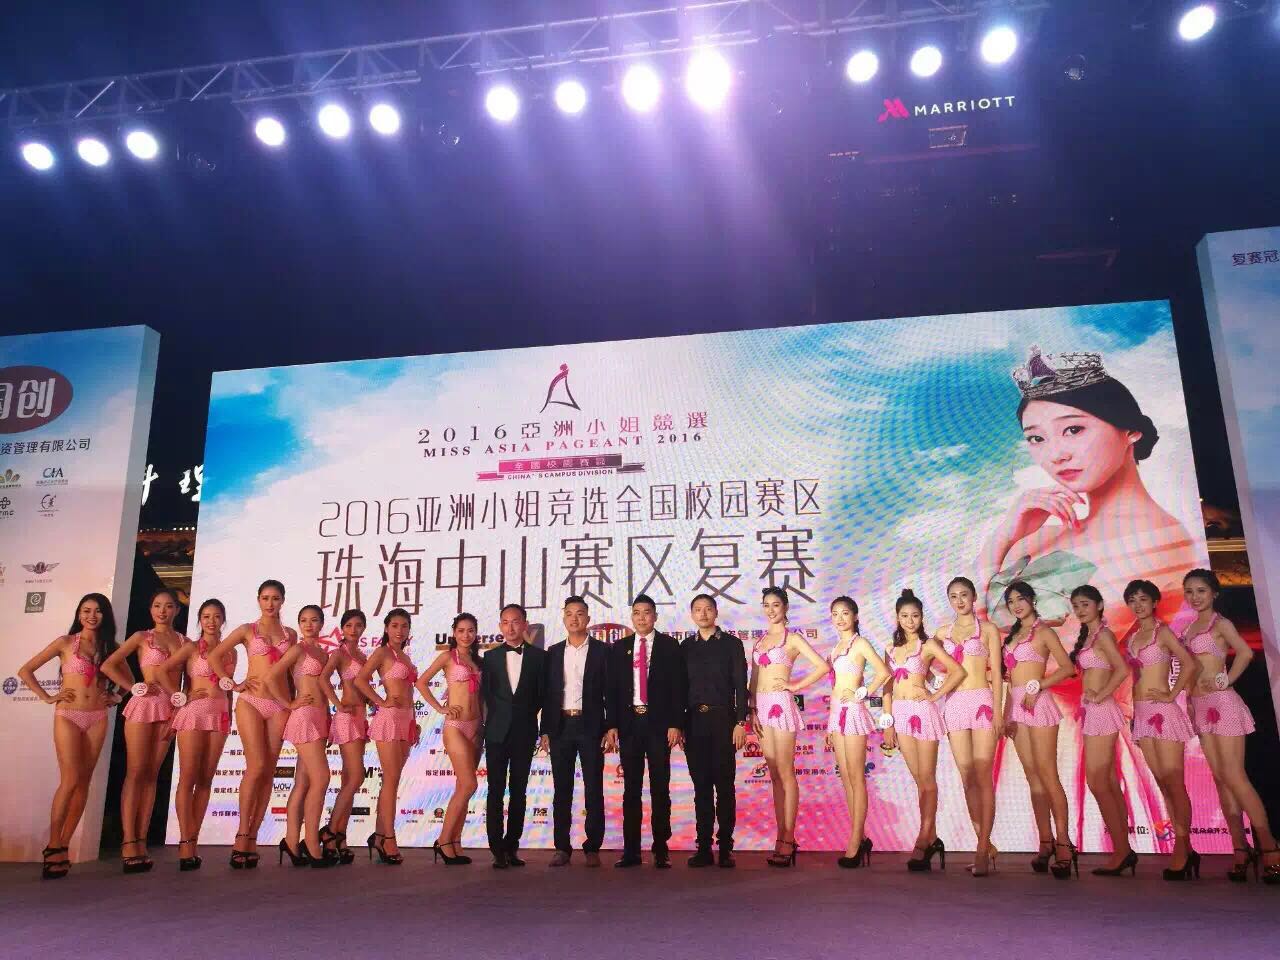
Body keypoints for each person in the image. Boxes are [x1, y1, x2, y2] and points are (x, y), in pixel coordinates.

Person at [978, 346, 1197, 639]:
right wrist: (1005, 535)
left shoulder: (1155, 538)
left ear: (1131, 430)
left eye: (1073, 430)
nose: (1056, 455)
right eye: (1037, 438)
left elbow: (1069, 653)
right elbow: (965, 626)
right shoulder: (1039, 537)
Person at [1180, 568, 1280, 884]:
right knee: (1221, 779)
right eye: (1189, 591)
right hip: (1200, 707)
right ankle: (1240, 848)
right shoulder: (1188, 629)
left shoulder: (1220, 623)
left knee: (1235, 776)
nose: (1195, 597)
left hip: (1223, 705)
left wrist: (1225, 680)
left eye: (1201, 591)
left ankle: (1270, 847)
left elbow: (1246, 653)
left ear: (1214, 594)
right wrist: (1189, 699)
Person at [17, 593, 120, 879]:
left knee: (83, 782)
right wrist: (48, 697)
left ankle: (64, 844)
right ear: (78, 614)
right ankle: (52, 844)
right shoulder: (65, 643)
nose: (91, 616)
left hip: (97, 717)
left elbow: (130, 680)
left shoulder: (111, 648)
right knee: (71, 779)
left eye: (98, 611)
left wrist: (117, 695)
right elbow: (25, 671)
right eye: (86, 610)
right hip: (68, 715)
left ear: (105, 615)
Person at [209, 579, 297, 869]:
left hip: (279, 706)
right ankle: (241, 834)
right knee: (256, 765)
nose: (270, 603)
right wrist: (232, 683)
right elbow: (214, 656)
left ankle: (253, 837)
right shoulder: (247, 630)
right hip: (251, 701)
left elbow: (291, 673)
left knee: (268, 771)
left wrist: (294, 704)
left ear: (282, 601)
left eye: (275, 598)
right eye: (265, 598)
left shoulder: (290, 634)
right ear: (258, 600)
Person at [101, 588, 186, 873]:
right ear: (150, 609)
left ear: (177, 610)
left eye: (169, 606)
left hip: (169, 710)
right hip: (143, 706)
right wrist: (132, 687)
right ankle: (128, 841)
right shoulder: (141, 637)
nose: (162, 611)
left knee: (152, 775)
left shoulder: (184, 641)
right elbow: (109, 665)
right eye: (157, 605)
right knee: (136, 772)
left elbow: (188, 678)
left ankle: (141, 840)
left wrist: (181, 708)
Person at [881, 589, 964, 872]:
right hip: (900, 714)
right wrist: (888, 721)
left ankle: (923, 838)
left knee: (927, 779)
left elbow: (957, 671)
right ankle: (932, 836)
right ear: (897, 617)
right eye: (904, 616)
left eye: (915, 616)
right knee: (919, 779)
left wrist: (934, 695)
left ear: (921, 617)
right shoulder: (890, 649)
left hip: (923, 713)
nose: (910, 620)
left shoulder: (927, 645)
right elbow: (887, 686)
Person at [745, 586, 829, 868]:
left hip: (781, 704)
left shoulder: (792, 639)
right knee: (774, 775)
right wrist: (752, 709)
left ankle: (789, 838)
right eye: (766, 605)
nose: (771, 610)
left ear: (785, 607)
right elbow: (754, 680)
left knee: (785, 771)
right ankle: (780, 834)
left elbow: (822, 666)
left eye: (776, 605)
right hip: (762, 707)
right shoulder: (759, 642)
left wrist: (794, 685)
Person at [1123, 579, 1201, 880]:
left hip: (1164, 712)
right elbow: (1135, 677)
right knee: (1163, 782)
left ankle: (1182, 846)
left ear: (1154, 602)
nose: (1138, 605)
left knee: (1174, 781)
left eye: (1143, 599)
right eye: (1133, 600)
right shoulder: (1133, 637)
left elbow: (1189, 664)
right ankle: (1185, 848)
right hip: (1142, 714)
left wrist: (1171, 695)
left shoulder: (1163, 632)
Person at [999, 580, 1077, 879]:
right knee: (1033, 778)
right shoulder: (1012, 637)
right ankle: (1045, 842)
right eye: (1011, 601)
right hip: (1016, 707)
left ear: (1032, 600)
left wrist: (1039, 686)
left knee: (1048, 775)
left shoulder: (1044, 632)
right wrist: (1006, 713)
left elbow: (1067, 668)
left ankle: (1064, 844)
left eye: (1021, 598)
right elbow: (1010, 681)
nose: (1016, 605)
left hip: (1038, 703)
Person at [606, 594, 686, 869]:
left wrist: (676, 723)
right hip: (629, 725)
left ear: (655, 616)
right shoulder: (620, 648)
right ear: (632, 617)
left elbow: (678, 688)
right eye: (637, 613)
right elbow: (613, 691)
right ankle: (631, 851)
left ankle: (661, 848)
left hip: (659, 725)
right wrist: (612, 724)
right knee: (631, 790)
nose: (642, 617)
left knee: (660, 788)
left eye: (647, 612)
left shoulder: (669, 646)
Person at [157, 598, 235, 871]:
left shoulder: (230, 650)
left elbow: (228, 688)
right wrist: (180, 696)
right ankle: (185, 841)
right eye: (206, 616)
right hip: (193, 713)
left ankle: (194, 839)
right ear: (200, 620)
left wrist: (229, 715)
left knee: (205, 779)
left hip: (219, 714)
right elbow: (162, 671)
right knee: (188, 777)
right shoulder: (190, 647)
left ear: (223, 620)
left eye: (216, 616)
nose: (211, 621)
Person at [1067, 585, 1137, 878]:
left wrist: (1102, 694)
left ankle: (1122, 851)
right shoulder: (1089, 637)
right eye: (1076, 606)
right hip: (1091, 711)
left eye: (1085, 604)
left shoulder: (1104, 635)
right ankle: (1123, 850)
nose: (1080, 610)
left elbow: (1121, 669)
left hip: (1102, 710)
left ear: (1098, 605)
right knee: (1106, 780)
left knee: (1097, 780)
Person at [935, 576, 1004, 876]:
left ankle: (981, 850)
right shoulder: (942, 633)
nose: (959, 600)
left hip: (981, 701)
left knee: (983, 774)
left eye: (964, 594)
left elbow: (997, 674)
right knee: (967, 777)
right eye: (953, 596)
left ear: (974, 597)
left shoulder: (987, 630)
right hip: (954, 704)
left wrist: (998, 712)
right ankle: (984, 843)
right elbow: (923, 662)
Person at [267, 605, 340, 867]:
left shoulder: (323, 652)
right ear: (299, 624)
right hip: (305, 716)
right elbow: (271, 677)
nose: (309, 624)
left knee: (303, 782)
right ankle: (311, 843)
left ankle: (291, 840)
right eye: (304, 620)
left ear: (321, 624)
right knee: (321, 778)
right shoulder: (297, 650)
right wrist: (289, 704)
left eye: (314, 620)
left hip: (320, 717)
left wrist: (329, 718)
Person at [540, 596, 610, 867]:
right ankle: (562, 847)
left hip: (591, 726)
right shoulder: (554, 652)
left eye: (580, 613)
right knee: (562, 790)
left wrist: (610, 727)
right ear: (563, 618)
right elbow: (548, 694)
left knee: (593, 788)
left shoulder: (603, 651)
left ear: (588, 619)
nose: (574, 618)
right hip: (560, 726)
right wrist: (545, 730)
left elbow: (611, 693)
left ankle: (592, 847)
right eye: (569, 613)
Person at [681, 593, 750, 868]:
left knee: (724, 786)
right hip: (694, 724)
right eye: (698, 610)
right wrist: (679, 725)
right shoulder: (686, 647)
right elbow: (679, 690)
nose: (703, 614)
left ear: (716, 612)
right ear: (692, 614)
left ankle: (725, 848)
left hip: (724, 721)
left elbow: (741, 686)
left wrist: (740, 722)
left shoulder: (732, 645)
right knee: (701, 788)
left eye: (708, 609)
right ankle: (703, 847)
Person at [825, 596, 890, 870]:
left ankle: (854, 842)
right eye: (835, 614)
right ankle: (860, 837)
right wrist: (830, 723)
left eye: (845, 613)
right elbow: (835, 687)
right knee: (846, 779)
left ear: (855, 616)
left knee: (856, 777)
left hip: (853, 713)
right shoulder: (835, 648)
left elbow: (884, 672)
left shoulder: (860, 643)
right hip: (836, 714)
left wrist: (862, 693)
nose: (840, 618)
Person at [416, 612, 485, 866]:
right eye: (461, 630)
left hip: (477, 726)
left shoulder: (478, 661)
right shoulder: (448, 657)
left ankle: (455, 841)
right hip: (456, 726)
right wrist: (440, 708)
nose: (466, 635)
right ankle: (443, 840)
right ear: (454, 633)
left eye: (471, 630)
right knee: (468, 784)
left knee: (462, 787)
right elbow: (421, 682)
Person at [482, 603, 546, 869]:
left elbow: (544, 696)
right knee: (495, 790)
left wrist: (540, 728)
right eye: (505, 622)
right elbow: (486, 696)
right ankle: (496, 848)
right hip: (496, 733)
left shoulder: (540, 658)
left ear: (525, 625)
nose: (510, 627)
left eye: (516, 621)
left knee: (519, 791)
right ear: (500, 626)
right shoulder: (490, 657)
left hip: (524, 732)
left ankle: (512, 846)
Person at [355, 608, 418, 865]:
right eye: (395, 625)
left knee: (393, 781)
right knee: (391, 780)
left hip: (406, 720)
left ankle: (380, 834)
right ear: (386, 628)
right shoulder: (382, 653)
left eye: (404, 626)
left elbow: (409, 691)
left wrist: (414, 720)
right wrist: (380, 702)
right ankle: (389, 838)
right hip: (389, 719)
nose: (399, 630)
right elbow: (361, 680)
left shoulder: (405, 656)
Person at [321, 608, 369, 865]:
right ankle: (330, 831)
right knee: (357, 776)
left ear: (363, 628)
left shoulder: (362, 655)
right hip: (347, 717)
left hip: (361, 718)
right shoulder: (339, 653)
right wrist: (338, 704)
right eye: (349, 625)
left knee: (350, 779)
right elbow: (323, 679)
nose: (353, 629)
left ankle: (340, 836)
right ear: (342, 628)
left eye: (358, 625)